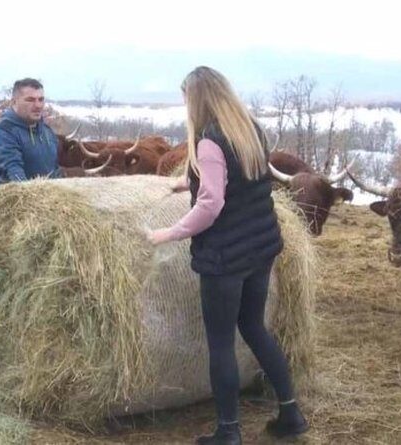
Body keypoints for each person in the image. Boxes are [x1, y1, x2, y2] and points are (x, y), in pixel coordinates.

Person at [146, 66, 309, 445]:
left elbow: (211, 205)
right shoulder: (248, 127)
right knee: (253, 327)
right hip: (261, 245)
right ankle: (290, 412)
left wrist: (167, 233)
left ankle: (228, 432)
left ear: (197, 99)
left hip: (225, 256)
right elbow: (237, 173)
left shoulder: (208, 140)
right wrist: (188, 180)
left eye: (186, 98)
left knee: (220, 342)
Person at [0, 77, 62, 186]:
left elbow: (54, 171)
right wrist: (37, 199)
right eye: (30, 100)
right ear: (14, 102)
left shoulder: (47, 132)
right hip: (13, 199)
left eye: (41, 99)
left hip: (45, 198)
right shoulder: (3, 132)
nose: (38, 105)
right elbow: (14, 173)